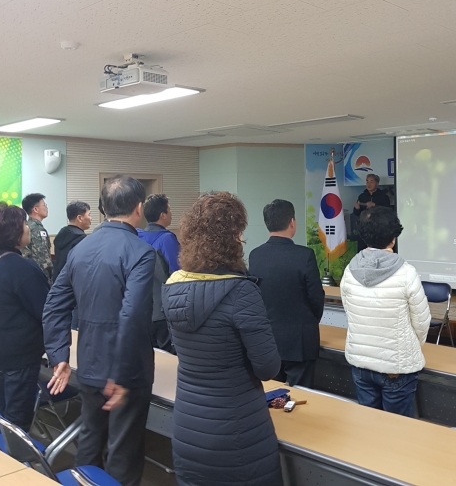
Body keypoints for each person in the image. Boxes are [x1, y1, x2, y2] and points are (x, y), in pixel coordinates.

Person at [162, 192, 282, 486]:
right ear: (233, 237)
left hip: (188, 426)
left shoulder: (172, 287)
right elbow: (268, 367)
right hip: (236, 431)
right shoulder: (241, 292)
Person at [43, 176, 156, 486]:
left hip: (89, 364)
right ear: (139, 208)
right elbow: (132, 316)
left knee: (90, 441)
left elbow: (54, 305)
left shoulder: (81, 248)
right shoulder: (141, 252)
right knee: (123, 453)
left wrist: (59, 356)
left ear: (103, 208)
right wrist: (119, 375)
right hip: (127, 373)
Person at [340, 206, 430, 417]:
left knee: (369, 426)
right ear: (393, 238)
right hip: (396, 368)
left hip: (361, 364)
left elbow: (349, 311)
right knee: (397, 430)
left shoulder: (350, 270)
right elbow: (421, 322)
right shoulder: (406, 273)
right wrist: (410, 347)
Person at [249, 199, 325, 387]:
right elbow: (316, 298)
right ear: (292, 222)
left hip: (267, 340)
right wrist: (309, 322)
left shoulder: (255, 255)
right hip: (300, 341)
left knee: (273, 394)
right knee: (301, 396)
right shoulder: (304, 255)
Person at [0, 203, 50, 432]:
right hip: (20, 358)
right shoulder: (22, 268)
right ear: (15, 232)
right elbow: (46, 311)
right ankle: (14, 455)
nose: (27, 228)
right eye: (25, 224)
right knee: (16, 422)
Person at [138, 194, 179, 353]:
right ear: (162, 215)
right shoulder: (167, 239)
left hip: (142, 309)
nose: (171, 213)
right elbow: (177, 273)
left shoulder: (138, 237)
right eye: (169, 210)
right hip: (162, 311)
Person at [53, 201, 91, 280]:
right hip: (74, 280)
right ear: (79, 218)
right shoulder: (81, 239)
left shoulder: (62, 233)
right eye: (89, 215)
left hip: (59, 279)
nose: (91, 218)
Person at [21, 193, 52, 284]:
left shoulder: (28, 226)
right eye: (44, 205)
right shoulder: (37, 228)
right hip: (39, 277)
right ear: (35, 209)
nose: (46, 208)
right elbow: (42, 257)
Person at [353, 174, 391, 251]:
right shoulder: (362, 196)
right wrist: (357, 208)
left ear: (377, 183)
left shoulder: (383, 196)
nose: (369, 184)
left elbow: (388, 211)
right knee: (363, 249)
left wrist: (375, 205)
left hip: (379, 227)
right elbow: (357, 213)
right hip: (365, 227)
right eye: (367, 182)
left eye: (371, 182)